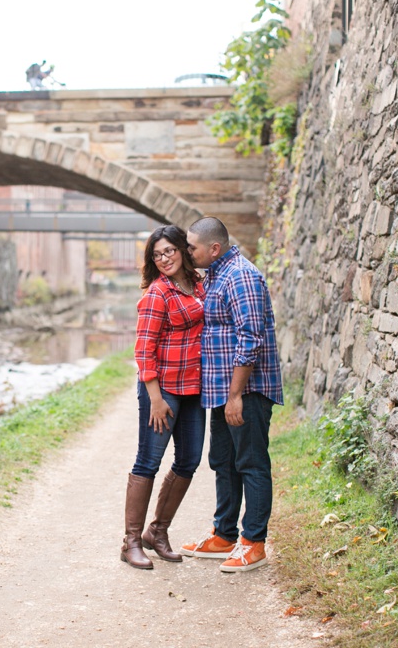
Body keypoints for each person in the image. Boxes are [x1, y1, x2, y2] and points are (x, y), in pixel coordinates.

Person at [180, 216, 283, 573]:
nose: (186, 252)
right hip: (223, 391)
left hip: (246, 391)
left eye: (191, 247)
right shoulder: (215, 274)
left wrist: (236, 394)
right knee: (222, 461)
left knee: (251, 463)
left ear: (214, 248)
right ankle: (225, 534)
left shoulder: (241, 276)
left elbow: (250, 339)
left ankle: (253, 543)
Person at [122, 225, 206, 570]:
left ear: (183, 250)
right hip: (163, 390)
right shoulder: (158, 293)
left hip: (194, 389)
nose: (164, 259)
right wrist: (155, 399)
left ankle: (157, 532)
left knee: (189, 460)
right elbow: (144, 351)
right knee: (148, 461)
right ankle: (130, 542)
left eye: (169, 250)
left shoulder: (200, 284)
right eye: (157, 255)